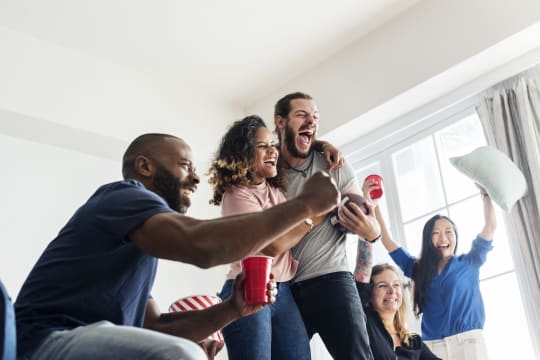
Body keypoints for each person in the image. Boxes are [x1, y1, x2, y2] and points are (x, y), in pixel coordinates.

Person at [14, 133, 340, 360]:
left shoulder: (132, 241)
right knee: (181, 355)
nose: (196, 178)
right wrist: (306, 204)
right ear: (145, 167)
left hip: (76, 343)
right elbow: (201, 245)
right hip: (42, 343)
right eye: (186, 165)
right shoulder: (123, 196)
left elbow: (158, 327)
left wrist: (232, 309)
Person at [207, 115, 342, 360]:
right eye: (262, 146)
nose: (273, 151)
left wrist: (322, 145)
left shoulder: (273, 191)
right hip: (246, 288)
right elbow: (273, 245)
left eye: (272, 144)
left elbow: (292, 147)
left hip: (282, 290)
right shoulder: (237, 196)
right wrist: (315, 215)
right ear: (243, 155)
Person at [274, 91, 380, 360]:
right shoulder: (268, 169)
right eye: (301, 115)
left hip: (333, 280)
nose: (311, 121)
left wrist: (372, 230)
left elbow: (369, 222)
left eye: (315, 117)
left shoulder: (335, 165)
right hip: (286, 290)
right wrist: (322, 142)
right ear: (281, 122)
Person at [364, 176, 496, 360]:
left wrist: (486, 195)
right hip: (433, 346)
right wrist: (374, 205)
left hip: (468, 343)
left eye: (449, 232)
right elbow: (387, 240)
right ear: (428, 239)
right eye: (436, 233)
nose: (443, 238)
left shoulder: (470, 262)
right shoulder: (417, 269)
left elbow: (490, 227)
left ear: (455, 237)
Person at [349, 183, 440, 359]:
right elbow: (362, 267)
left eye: (396, 285)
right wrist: (367, 207)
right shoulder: (365, 325)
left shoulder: (413, 342)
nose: (392, 292)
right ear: (369, 294)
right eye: (383, 285)